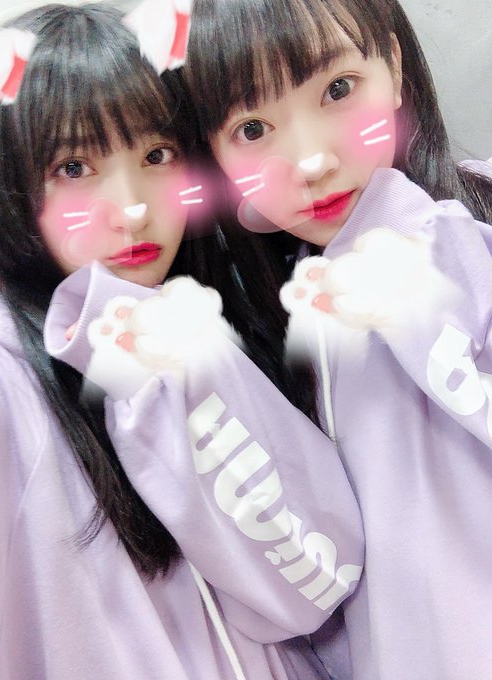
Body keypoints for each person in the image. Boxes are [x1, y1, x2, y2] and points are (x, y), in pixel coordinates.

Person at [0, 4, 365, 679]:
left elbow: (315, 583)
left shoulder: (207, 330)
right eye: (74, 167)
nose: (133, 207)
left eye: (157, 156)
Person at [181, 0, 492, 678]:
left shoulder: (475, 237)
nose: (313, 160)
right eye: (253, 128)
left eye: (338, 90)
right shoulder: (260, 331)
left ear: (395, 67)